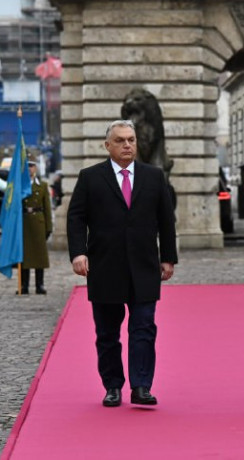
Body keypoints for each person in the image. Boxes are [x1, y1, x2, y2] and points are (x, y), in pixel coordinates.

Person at [67, 119, 177, 408]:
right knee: (107, 333)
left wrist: (168, 257)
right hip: (104, 267)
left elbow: (166, 220)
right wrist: (78, 253)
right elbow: (76, 217)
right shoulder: (90, 177)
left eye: (131, 140)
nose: (127, 145)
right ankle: (112, 385)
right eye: (120, 140)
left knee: (143, 327)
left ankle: (141, 386)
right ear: (107, 145)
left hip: (144, 266)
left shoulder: (153, 176)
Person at [18, 155, 52, 295]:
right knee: (24, 257)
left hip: (38, 222)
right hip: (24, 222)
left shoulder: (42, 185)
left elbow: (47, 207)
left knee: (40, 256)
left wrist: (48, 227)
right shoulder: (20, 185)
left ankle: (40, 285)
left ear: (36, 168)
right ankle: (24, 285)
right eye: (27, 166)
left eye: (32, 166)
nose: (30, 168)